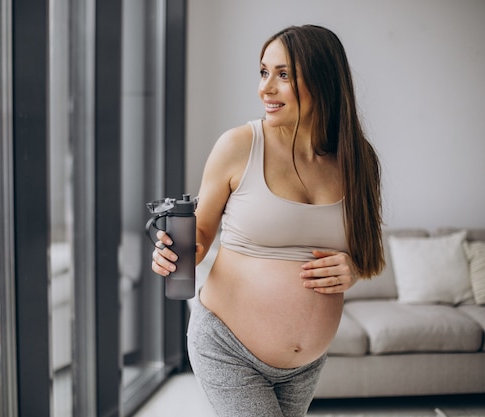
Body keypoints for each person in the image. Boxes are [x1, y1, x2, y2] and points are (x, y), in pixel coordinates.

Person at [151, 24, 385, 417]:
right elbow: (203, 232)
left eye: (284, 75)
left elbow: (365, 253)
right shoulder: (239, 145)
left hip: (305, 366)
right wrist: (176, 251)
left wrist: (354, 269)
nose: (266, 88)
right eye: (263, 72)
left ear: (324, 81)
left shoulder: (358, 160)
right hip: (226, 345)